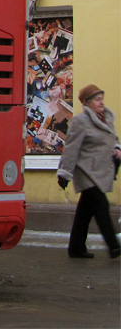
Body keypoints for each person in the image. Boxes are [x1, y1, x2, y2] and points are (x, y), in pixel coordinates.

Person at [56, 84, 121, 259]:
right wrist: (64, 172)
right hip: (86, 171)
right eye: (97, 100)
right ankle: (114, 246)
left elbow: (112, 138)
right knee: (101, 205)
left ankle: (76, 247)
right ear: (87, 103)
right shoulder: (80, 121)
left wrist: (117, 148)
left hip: (100, 171)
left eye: (102, 99)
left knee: (85, 211)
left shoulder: (106, 118)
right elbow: (71, 148)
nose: (101, 103)